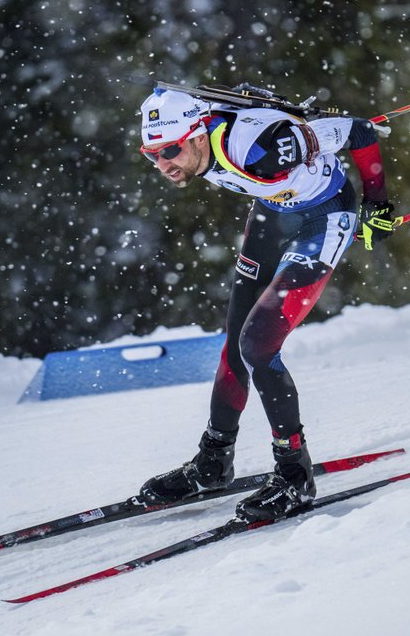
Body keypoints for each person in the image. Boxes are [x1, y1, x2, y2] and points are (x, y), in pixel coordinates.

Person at [136, 85, 394, 521]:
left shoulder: (266, 148)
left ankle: (294, 475)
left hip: (324, 216)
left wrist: (377, 202)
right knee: (236, 337)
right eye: (152, 154)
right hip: (273, 212)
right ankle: (213, 461)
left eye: (171, 151)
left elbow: (360, 131)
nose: (163, 165)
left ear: (199, 136)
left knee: (258, 344)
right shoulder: (197, 137)